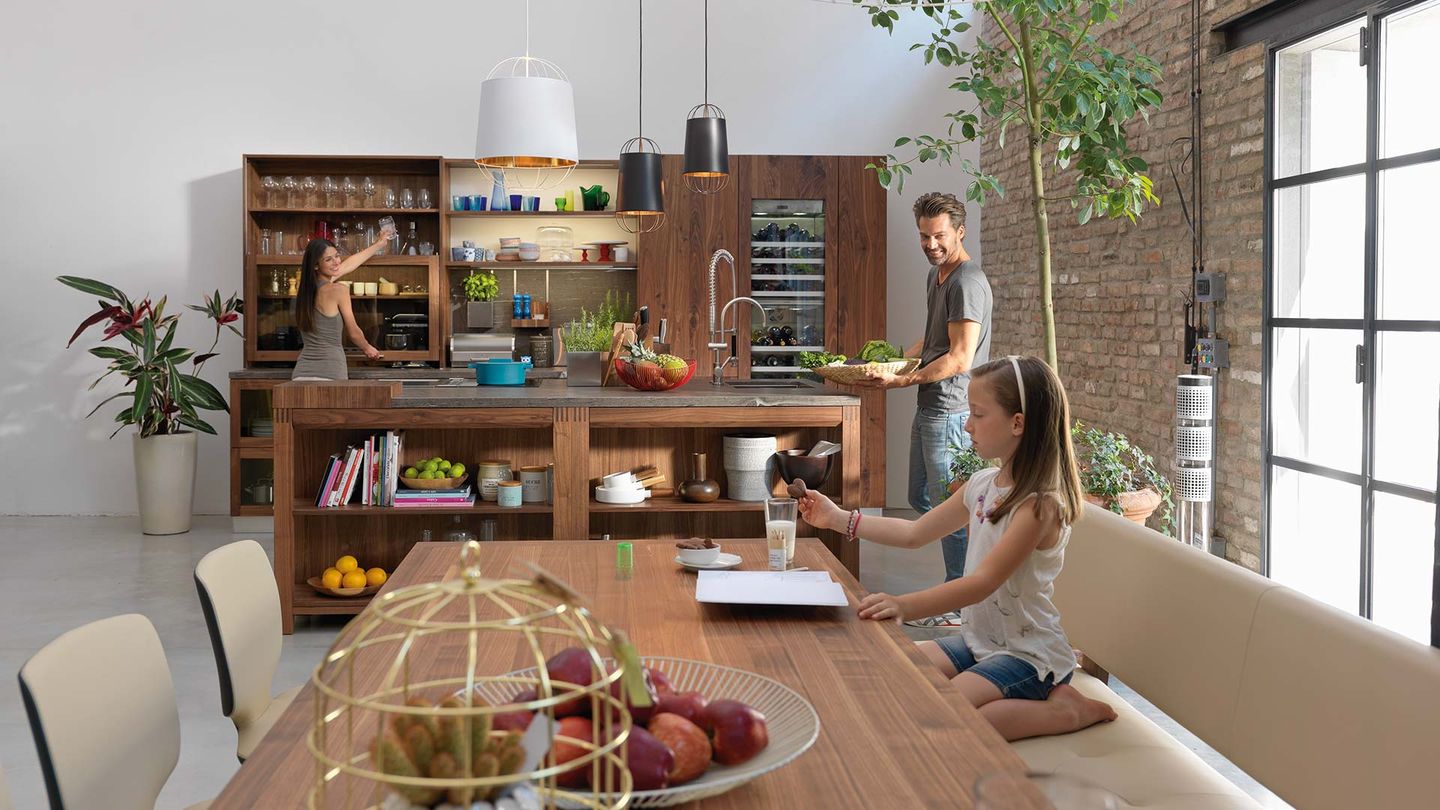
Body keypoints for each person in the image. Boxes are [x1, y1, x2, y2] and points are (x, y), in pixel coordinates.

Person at [798, 356, 1116, 741]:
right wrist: (838, 519)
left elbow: (982, 583)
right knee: (896, 677)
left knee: (949, 716)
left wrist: (905, 605)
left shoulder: (1038, 505)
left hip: (1029, 653)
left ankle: (1068, 711)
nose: (967, 425)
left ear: (1018, 423)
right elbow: (915, 533)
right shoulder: (982, 484)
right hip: (980, 640)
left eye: (978, 415)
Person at [852, 191, 991, 627]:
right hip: (930, 404)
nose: (931, 244)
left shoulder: (967, 282)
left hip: (950, 408)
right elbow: (930, 344)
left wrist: (901, 380)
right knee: (922, 498)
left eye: (939, 236)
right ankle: (965, 587)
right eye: (924, 236)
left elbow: (958, 359)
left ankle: (959, 600)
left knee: (948, 505)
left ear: (960, 232)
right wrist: (893, 362)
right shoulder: (939, 278)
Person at [291, 233, 390, 381]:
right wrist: (368, 348)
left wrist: (378, 245)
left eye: (337, 256)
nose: (336, 262)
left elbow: (348, 265)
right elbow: (354, 332)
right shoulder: (338, 290)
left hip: (300, 374)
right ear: (316, 265)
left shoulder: (304, 291)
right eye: (328, 259)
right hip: (330, 373)